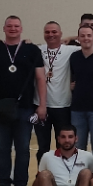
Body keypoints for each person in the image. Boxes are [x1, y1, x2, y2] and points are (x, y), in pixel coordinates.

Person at [0, 16, 46, 186]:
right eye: (9, 26)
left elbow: (40, 78)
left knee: (23, 148)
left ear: (21, 29)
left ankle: (21, 184)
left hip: (25, 108)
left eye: (16, 26)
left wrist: (42, 104)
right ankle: (3, 184)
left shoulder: (32, 50)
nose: (13, 28)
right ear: (4, 28)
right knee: (2, 148)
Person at [31, 22, 80, 167]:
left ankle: (62, 175)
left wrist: (73, 37)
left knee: (64, 146)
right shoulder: (37, 50)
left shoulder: (70, 50)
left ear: (61, 33)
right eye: (47, 32)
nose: (51, 35)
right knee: (43, 147)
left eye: (54, 32)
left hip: (63, 107)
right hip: (41, 106)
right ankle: (42, 175)